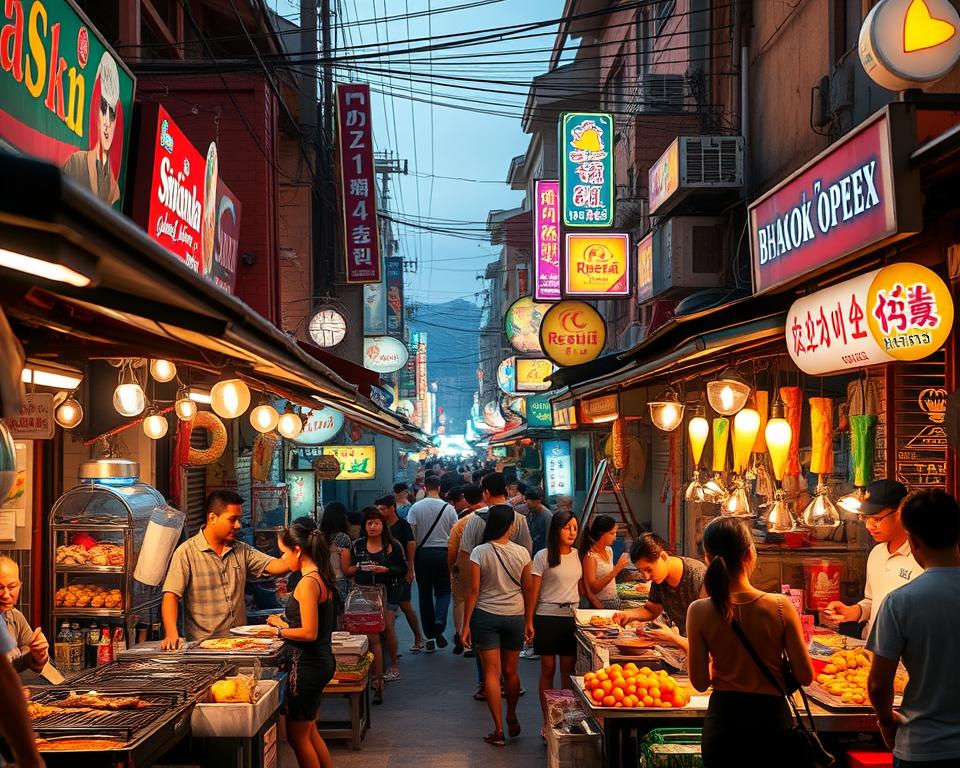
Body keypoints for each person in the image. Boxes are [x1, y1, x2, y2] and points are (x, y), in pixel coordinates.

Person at [687, 517, 815, 767]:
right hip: (771, 723)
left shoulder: (699, 611)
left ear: (707, 558)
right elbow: (805, 676)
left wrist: (724, 662)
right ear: (749, 555)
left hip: (724, 724)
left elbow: (700, 683)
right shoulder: (780, 606)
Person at [867, 489, 960, 765]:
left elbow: (878, 684)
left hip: (923, 746)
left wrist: (886, 721)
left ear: (914, 541)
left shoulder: (900, 602)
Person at [162, 490, 289, 648]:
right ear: (212, 518)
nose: (238, 525)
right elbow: (171, 595)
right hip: (202, 648)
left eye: (239, 519)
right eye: (232, 519)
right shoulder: (186, 553)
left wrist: (298, 553)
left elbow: (276, 566)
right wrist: (171, 633)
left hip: (239, 645)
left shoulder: (241, 550)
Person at [266, 519, 336, 768]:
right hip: (320, 661)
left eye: (284, 553)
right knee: (310, 731)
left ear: (297, 550)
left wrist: (279, 630)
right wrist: (284, 623)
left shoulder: (307, 583)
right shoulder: (321, 576)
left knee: (298, 737)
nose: (283, 559)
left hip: (308, 665)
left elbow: (308, 632)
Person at [462, 504, 533, 747]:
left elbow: (474, 590)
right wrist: (529, 620)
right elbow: (528, 588)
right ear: (510, 526)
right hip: (515, 616)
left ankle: (499, 730)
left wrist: (465, 625)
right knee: (511, 671)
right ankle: (511, 714)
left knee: (492, 673)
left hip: (486, 615)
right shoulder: (522, 553)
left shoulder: (479, 552)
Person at [826, 479, 918, 639]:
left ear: (900, 514)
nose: (869, 525)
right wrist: (853, 611)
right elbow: (871, 600)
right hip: (871, 645)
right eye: (865, 517)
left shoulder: (920, 558)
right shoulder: (877, 553)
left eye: (876, 518)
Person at [526, 512, 583, 738]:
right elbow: (534, 592)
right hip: (547, 616)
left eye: (574, 528)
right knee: (548, 668)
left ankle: (565, 720)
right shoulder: (543, 556)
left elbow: (583, 587)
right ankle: (547, 721)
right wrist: (529, 621)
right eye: (567, 527)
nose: (571, 532)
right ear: (556, 529)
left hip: (571, 618)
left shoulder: (579, 555)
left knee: (568, 670)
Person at [342, 508, 407, 703]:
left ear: (383, 525)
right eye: (369, 523)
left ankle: (381, 677)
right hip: (362, 595)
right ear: (364, 526)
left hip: (386, 593)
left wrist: (385, 569)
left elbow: (402, 569)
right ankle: (365, 679)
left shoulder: (392, 545)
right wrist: (360, 567)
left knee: (381, 633)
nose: (373, 527)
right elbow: (348, 570)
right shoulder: (357, 546)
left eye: (376, 523)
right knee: (366, 638)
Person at [614, 532, 707, 653]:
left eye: (649, 569)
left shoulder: (697, 574)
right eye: (642, 572)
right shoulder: (659, 580)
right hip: (686, 646)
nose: (646, 577)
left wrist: (672, 637)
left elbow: (709, 628)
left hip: (705, 648)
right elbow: (652, 610)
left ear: (663, 556)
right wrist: (629, 614)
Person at [62, 52, 123, 207]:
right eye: (103, 109)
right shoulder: (77, 162)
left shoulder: (115, 190)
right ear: (96, 113)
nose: (107, 123)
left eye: (112, 114)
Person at [407, 475, 459, 651]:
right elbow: (454, 535)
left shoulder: (415, 508)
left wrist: (411, 563)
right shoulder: (449, 508)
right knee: (444, 592)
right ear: (439, 488)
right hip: (443, 553)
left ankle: (429, 637)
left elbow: (412, 537)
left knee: (425, 595)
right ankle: (440, 621)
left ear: (424, 487)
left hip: (422, 555)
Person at [377, 494, 425, 655]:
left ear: (392, 508)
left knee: (405, 605)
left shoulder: (403, 524)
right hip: (384, 572)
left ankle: (418, 637)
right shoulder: (380, 525)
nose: (380, 512)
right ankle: (390, 645)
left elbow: (411, 545)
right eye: (379, 509)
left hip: (400, 571)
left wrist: (411, 568)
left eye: (383, 509)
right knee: (387, 609)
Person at [0, 620, 45, 768]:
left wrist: (35, 656)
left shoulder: (14, 617)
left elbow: (14, 663)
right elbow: (4, 679)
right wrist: (30, 760)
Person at [448, 484, 485, 656]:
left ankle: (462, 636)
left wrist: (450, 569)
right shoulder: (500, 516)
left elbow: (452, 549)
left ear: (466, 500)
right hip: (490, 566)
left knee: (461, 600)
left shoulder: (461, 523)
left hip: (465, 566)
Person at [0, 557, 48, 675]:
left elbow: (27, 663)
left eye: (12, 587)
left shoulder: (15, 617)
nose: (6, 595)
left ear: (20, 586)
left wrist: (39, 655)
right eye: (0, 588)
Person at [580, 515, 630, 610]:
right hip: (601, 604)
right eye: (612, 533)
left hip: (615, 599)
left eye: (615, 533)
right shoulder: (590, 556)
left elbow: (609, 575)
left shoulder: (608, 550)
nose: (615, 537)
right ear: (601, 533)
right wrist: (616, 570)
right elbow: (593, 588)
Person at [319, 502, 353, 603]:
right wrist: (361, 566)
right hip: (338, 583)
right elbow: (346, 570)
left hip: (321, 581)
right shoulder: (342, 537)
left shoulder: (319, 537)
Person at [517, 488, 553, 555]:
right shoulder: (531, 511)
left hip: (542, 552)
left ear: (538, 501)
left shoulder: (547, 516)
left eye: (529, 500)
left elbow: (549, 539)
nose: (527, 503)